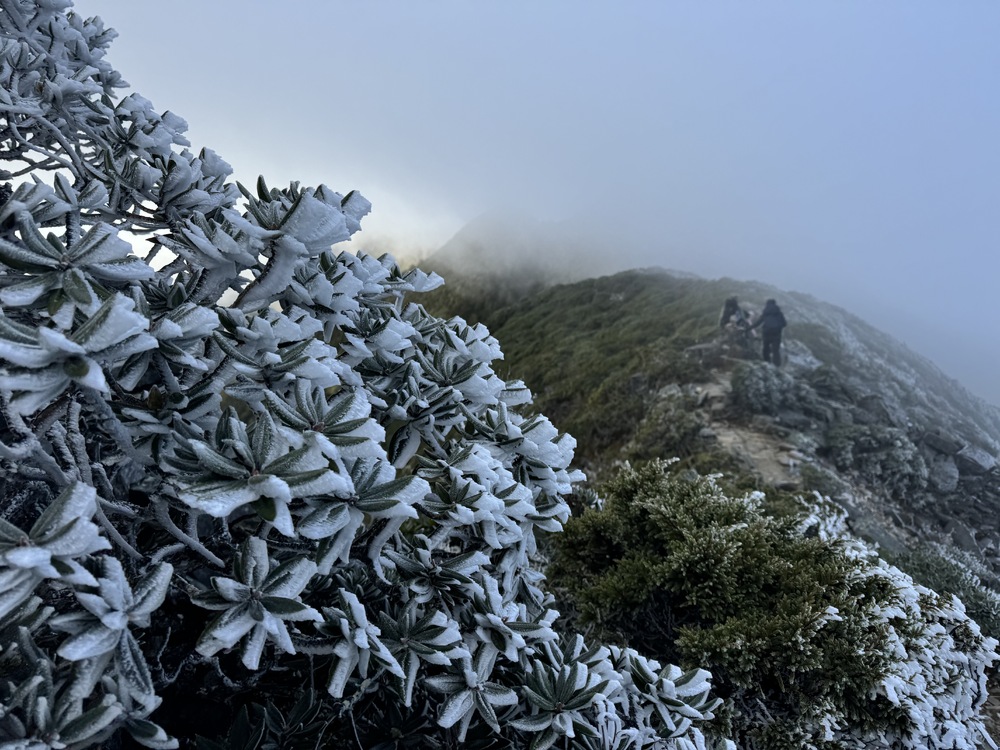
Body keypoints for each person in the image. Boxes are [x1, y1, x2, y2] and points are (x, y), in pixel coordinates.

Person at [750, 298, 787, 366]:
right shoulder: (779, 313)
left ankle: (767, 363)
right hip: (776, 334)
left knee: (765, 348)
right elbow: (784, 323)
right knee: (775, 351)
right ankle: (776, 366)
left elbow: (758, 322)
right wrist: (778, 327)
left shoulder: (766, 312)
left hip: (766, 332)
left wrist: (749, 328)